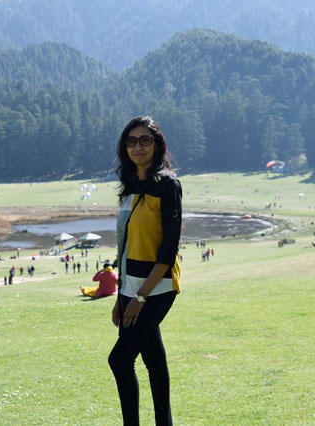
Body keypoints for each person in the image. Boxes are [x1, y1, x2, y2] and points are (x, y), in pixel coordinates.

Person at [108, 116, 182, 425]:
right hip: (130, 287)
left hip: (157, 287)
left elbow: (168, 247)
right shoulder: (129, 186)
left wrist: (140, 297)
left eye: (145, 140)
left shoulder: (167, 184)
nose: (137, 146)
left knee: (119, 359)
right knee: (153, 360)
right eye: (131, 141)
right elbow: (125, 247)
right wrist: (121, 296)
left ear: (157, 144)